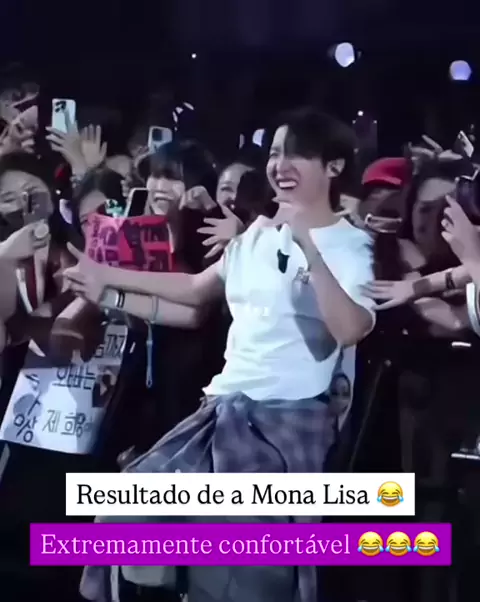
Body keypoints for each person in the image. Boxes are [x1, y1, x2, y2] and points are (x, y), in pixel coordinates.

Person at [68, 107, 376, 602]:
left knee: (230, 548)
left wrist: (309, 249)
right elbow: (195, 289)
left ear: (333, 167)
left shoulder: (350, 243)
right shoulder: (255, 235)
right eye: (275, 153)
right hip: (220, 411)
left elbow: (351, 328)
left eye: (297, 153)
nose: (280, 165)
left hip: (286, 421)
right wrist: (106, 278)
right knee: (125, 509)